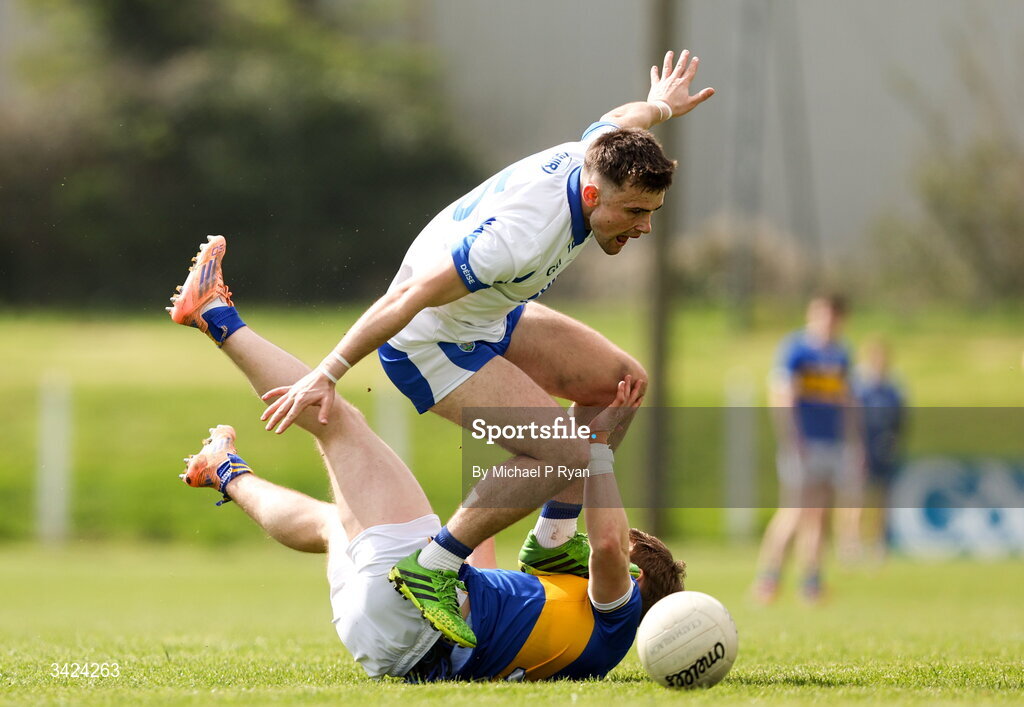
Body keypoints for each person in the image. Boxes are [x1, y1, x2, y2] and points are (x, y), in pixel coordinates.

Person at [168, 50, 713, 641]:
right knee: (565, 453)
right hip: (430, 342)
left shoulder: (598, 158)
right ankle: (434, 567)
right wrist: (328, 370)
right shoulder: (518, 240)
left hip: (487, 315)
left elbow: (620, 121)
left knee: (619, 382)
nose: (645, 226)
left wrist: (659, 105)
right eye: (635, 212)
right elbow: (408, 298)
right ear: (590, 196)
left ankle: (553, 540)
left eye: (653, 212)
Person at [170, 298, 685, 681]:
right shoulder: (562, 616)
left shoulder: (614, 622)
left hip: (410, 616)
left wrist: (595, 451)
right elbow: (547, 527)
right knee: (335, 524)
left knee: (339, 421)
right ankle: (225, 470)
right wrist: (566, 444)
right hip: (383, 643)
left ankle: (216, 317)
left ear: (637, 585)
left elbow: (609, 545)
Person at [752, 295, 863, 603]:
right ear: (812, 315)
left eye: (833, 317)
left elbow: (848, 401)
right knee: (794, 511)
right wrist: (792, 437)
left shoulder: (841, 355)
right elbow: (781, 394)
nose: (827, 323)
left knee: (818, 514)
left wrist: (854, 440)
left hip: (832, 444)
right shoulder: (796, 350)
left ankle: (811, 582)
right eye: (822, 315)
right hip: (803, 445)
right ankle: (768, 579)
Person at [845, 337, 906, 562]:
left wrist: (895, 442)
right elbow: (852, 419)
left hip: (885, 449)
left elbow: (901, 419)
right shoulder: (860, 388)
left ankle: (879, 543)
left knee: (882, 499)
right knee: (857, 498)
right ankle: (851, 543)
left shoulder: (894, 389)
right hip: (862, 448)